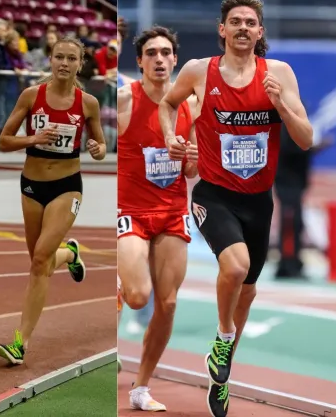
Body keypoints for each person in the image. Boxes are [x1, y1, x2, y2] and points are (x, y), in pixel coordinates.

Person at [158, 0, 313, 417]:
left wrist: (280, 104)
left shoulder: (278, 74)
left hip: (259, 202)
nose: (243, 27)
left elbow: (305, 137)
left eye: (250, 22)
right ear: (221, 30)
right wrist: (171, 136)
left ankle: (219, 374)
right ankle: (224, 339)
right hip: (214, 195)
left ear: (260, 32)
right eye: (235, 21)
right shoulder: (198, 71)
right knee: (236, 267)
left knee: (247, 290)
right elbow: (168, 104)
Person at [0, 35, 106, 365]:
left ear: (80, 64)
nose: (64, 63)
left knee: (40, 258)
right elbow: (3, 141)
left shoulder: (88, 104)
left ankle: (20, 342)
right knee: (38, 261)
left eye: (71, 59)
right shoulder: (32, 96)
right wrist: (34, 138)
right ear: (51, 59)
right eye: (59, 57)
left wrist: (98, 150)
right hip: (31, 185)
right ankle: (70, 252)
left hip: (67, 186)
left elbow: (99, 147)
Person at [117, 26, 198, 411]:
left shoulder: (191, 105)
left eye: (167, 52)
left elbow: (194, 172)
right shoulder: (124, 100)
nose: (160, 59)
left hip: (171, 212)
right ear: (140, 61)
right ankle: (116, 287)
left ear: (176, 59)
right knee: (138, 297)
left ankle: (140, 388)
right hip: (131, 212)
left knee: (167, 304)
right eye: (152, 53)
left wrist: (193, 161)